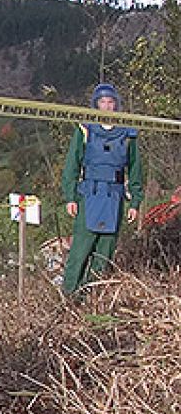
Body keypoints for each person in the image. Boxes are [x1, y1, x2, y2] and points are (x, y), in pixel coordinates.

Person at [61, 83, 144, 296]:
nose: (106, 107)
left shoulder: (128, 134)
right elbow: (72, 165)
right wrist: (70, 197)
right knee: (80, 252)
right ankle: (70, 297)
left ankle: (91, 298)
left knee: (104, 255)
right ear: (96, 104)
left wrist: (135, 202)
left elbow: (135, 170)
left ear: (116, 105)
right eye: (102, 102)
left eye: (110, 102)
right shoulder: (85, 130)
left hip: (115, 198)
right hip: (89, 195)